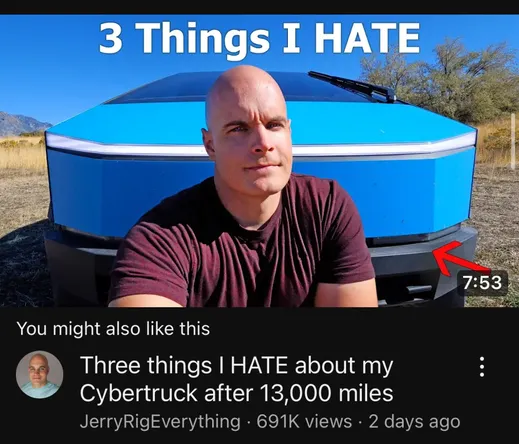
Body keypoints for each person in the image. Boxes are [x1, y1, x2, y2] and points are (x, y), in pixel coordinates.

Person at [108, 65, 378, 307]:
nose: (263, 142)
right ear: (210, 145)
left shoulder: (327, 206)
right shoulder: (160, 238)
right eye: (238, 129)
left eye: (274, 125)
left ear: (289, 132)